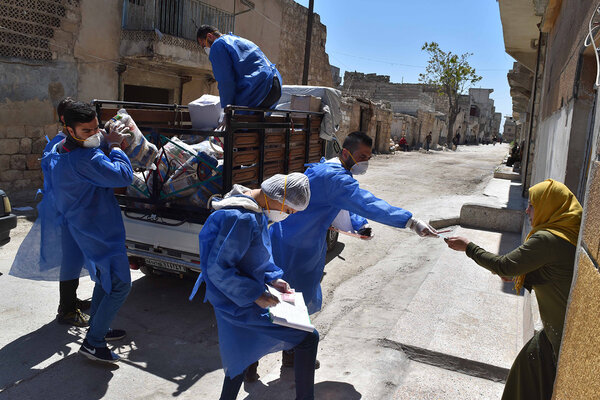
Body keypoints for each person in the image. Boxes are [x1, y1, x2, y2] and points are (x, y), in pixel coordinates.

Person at [269, 131, 437, 365]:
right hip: (299, 245)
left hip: (286, 236)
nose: (365, 162)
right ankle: (294, 354)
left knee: (283, 297)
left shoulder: (325, 168)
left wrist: (359, 225)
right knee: (295, 299)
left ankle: (273, 356)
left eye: (369, 157)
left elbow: (342, 204)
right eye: (362, 156)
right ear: (346, 152)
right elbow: (366, 203)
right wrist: (410, 221)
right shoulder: (336, 178)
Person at [445, 179, 582, 400]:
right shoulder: (569, 232)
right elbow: (548, 269)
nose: (527, 210)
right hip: (555, 331)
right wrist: (520, 272)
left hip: (560, 341)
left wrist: (468, 247)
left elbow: (504, 265)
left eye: (533, 205)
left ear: (549, 206)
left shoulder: (548, 239)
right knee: (525, 372)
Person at [189, 173, 318, 400]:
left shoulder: (252, 207)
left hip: (236, 296)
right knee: (308, 337)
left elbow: (254, 256)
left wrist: (272, 278)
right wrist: (256, 294)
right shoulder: (241, 218)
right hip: (236, 301)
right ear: (278, 197)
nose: (286, 216)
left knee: (240, 354)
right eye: (288, 211)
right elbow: (219, 269)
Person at [41, 101, 133, 363]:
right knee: (120, 285)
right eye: (86, 131)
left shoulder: (60, 149)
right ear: (68, 128)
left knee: (105, 280)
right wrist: (114, 145)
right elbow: (123, 177)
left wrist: (102, 140)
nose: (94, 134)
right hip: (100, 230)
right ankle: (93, 343)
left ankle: (98, 328)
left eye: (96, 128)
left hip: (85, 225)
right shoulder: (86, 159)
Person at [43, 97, 91, 327]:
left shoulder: (66, 140)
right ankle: (68, 310)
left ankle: (70, 301)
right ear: (65, 120)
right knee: (71, 259)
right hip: (68, 210)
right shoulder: (60, 143)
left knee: (74, 259)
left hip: (70, 209)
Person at [197, 25, 282, 110]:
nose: (205, 49)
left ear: (209, 36)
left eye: (204, 45)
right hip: (275, 85)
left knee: (237, 119)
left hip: (259, 88)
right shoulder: (237, 40)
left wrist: (226, 109)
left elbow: (226, 81)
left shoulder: (218, 45)